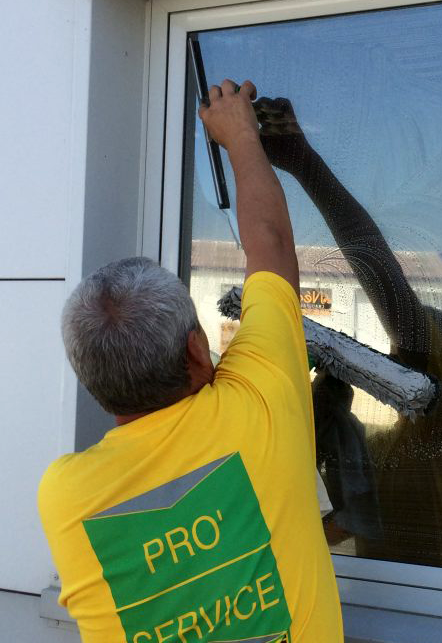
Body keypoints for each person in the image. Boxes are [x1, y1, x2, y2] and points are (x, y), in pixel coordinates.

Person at [37, 80, 344, 643]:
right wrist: (240, 135)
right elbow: (270, 246)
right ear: (198, 350)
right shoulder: (260, 404)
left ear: (95, 385)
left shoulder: (64, 497)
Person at [256, 98, 442, 576]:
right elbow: (333, 515)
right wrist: (322, 408)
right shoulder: (391, 451)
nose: (389, 370)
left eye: (402, 356)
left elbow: (387, 283)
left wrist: (304, 164)